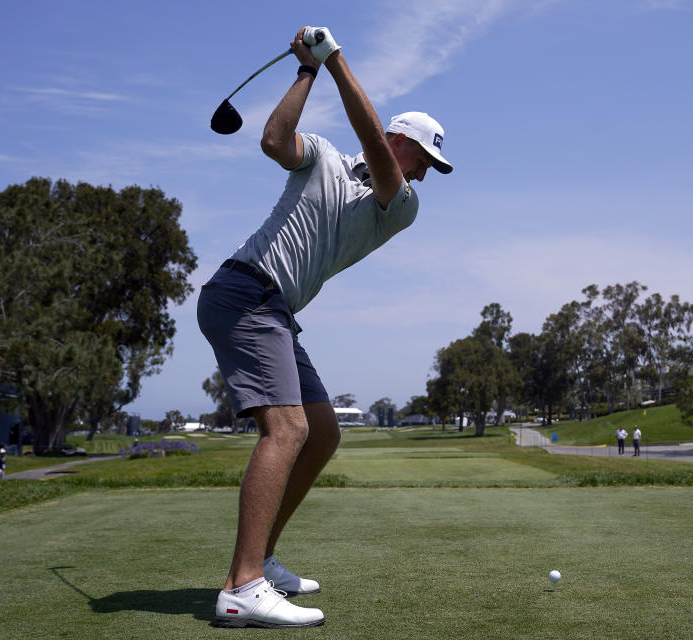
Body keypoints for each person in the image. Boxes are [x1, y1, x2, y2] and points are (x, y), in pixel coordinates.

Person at [198, 25, 452, 629]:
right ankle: (243, 587)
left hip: (276, 310)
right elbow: (272, 140)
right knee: (285, 430)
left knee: (322, 433)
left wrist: (334, 59)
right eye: (425, 158)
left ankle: (263, 559)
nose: (422, 175)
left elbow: (378, 151)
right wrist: (310, 69)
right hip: (244, 291)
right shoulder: (323, 159)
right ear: (401, 139)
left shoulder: (402, 205)